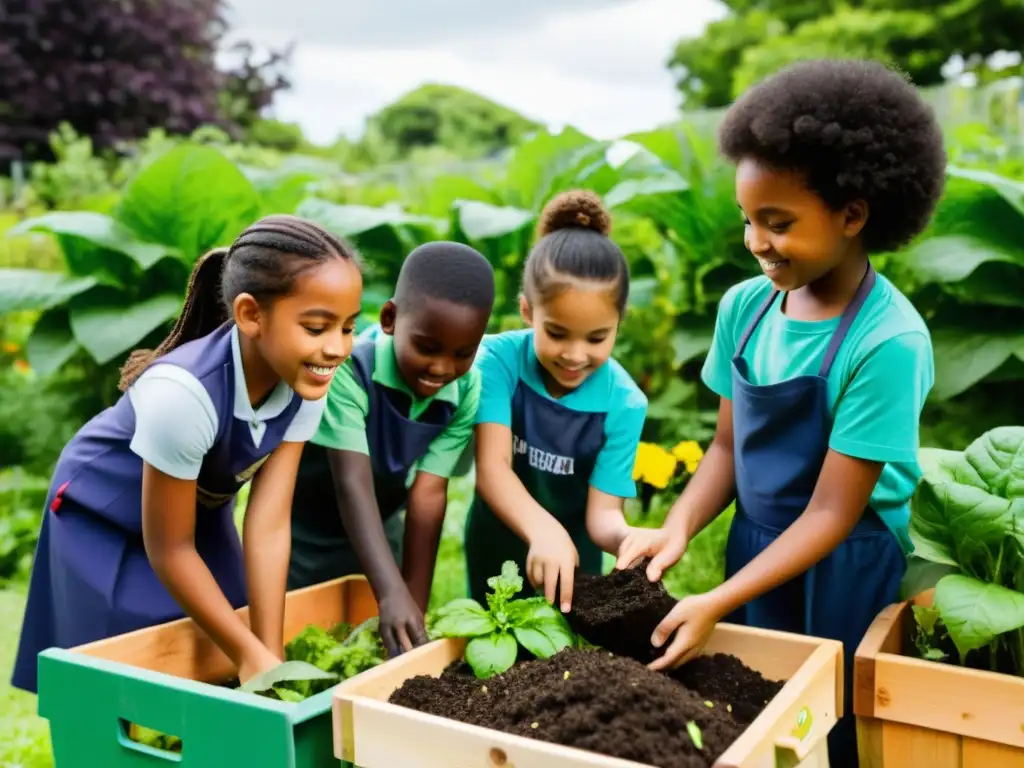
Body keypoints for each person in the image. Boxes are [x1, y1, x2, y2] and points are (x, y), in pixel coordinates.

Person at [616, 59, 946, 767]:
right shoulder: (747, 307)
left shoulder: (887, 341)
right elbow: (727, 451)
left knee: (836, 727)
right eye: (747, 220)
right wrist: (675, 530)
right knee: (754, 712)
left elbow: (831, 513)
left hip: (847, 559)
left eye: (778, 223)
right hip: (757, 541)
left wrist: (716, 599)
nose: (755, 242)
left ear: (853, 215)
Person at [11, 215, 363, 694]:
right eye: (318, 327)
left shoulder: (308, 383)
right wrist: (248, 653)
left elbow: (268, 524)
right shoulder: (183, 393)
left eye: (347, 328)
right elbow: (171, 548)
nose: (337, 348)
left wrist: (267, 648)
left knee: (227, 624)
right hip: (102, 512)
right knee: (127, 663)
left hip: (197, 506)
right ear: (251, 315)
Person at [288, 241, 495, 658]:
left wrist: (411, 608)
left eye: (462, 353)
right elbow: (352, 484)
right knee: (303, 642)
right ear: (389, 319)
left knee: (378, 636)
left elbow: (428, 495)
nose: (442, 368)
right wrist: (391, 591)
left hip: (381, 526)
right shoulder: (349, 371)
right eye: (427, 347)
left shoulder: (466, 388)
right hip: (305, 533)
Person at [466, 189, 661, 610]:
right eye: (556, 333)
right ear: (527, 311)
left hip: (571, 569)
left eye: (596, 338)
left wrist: (627, 538)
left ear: (618, 324)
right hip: (494, 544)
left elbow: (602, 515)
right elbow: (492, 469)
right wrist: (542, 529)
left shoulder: (625, 403)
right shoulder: (498, 362)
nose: (575, 355)